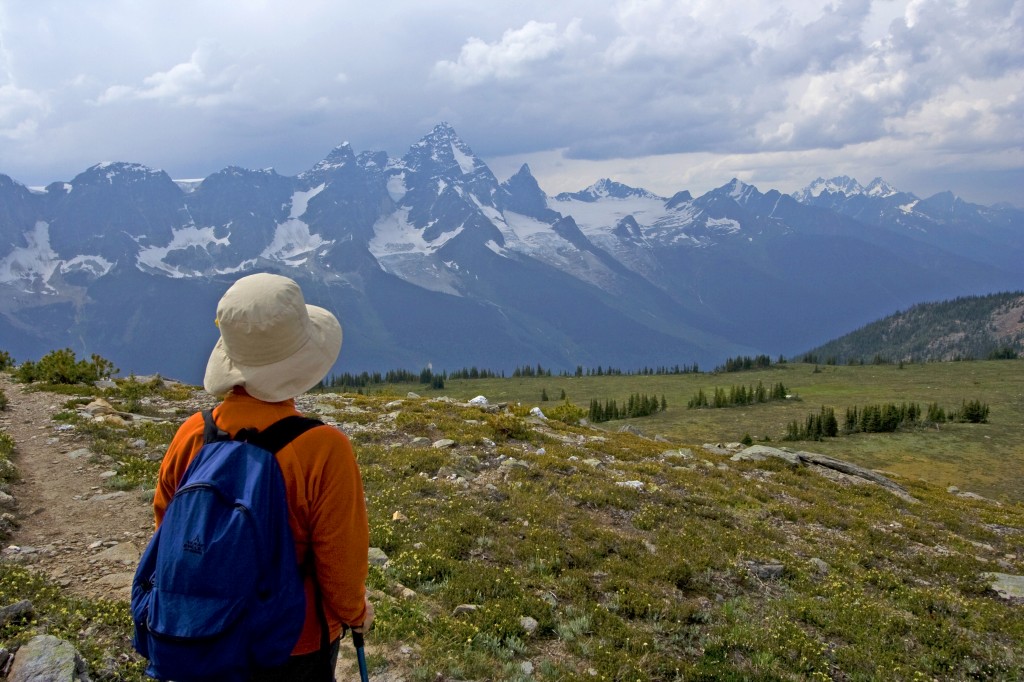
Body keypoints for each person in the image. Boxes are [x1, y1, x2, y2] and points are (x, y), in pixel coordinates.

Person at [153, 272, 373, 681]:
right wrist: (357, 614)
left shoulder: (192, 435)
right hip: (293, 641)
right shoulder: (324, 449)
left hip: (203, 633)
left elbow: (169, 524)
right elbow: (340, 567)